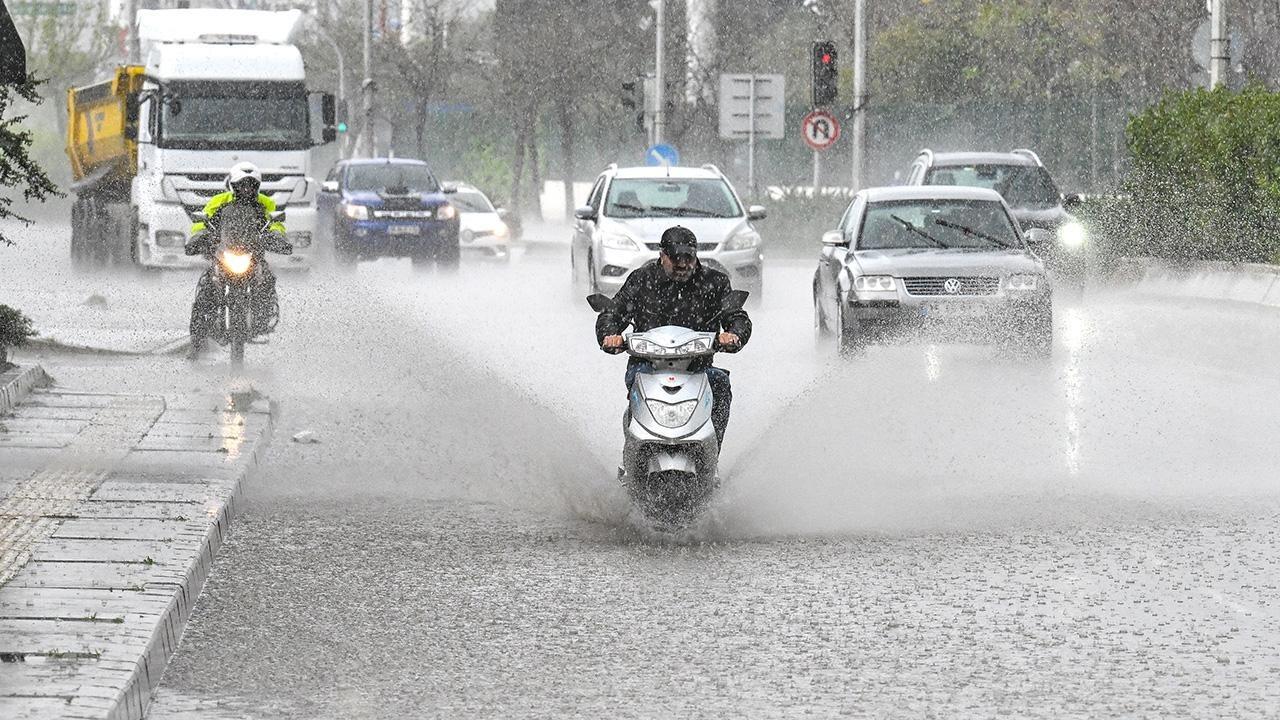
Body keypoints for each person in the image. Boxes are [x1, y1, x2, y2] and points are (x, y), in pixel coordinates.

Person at [596, 225, 751, 448]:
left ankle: (712, 450)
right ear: (662, 255)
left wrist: (734, 334)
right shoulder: (641, 280)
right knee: (637, 379)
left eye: (688, 258)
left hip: (698, 368)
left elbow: (735, 315)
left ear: (696, 255)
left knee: (720, 384)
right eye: (675, 258)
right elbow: (613, 312)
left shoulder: (714, 282)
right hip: (646, 365)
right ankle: (634, 448)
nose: (682, 265)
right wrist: (610, 335)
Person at [185, 162, 291, 358]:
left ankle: (262, 318)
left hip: (252, 256)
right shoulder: (219, 201)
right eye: (242, 184)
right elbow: (202, 222)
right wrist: (198, 237)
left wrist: (278, 238)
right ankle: (197, 341)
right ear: (233, 185)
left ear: (257, 186)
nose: (247, 189)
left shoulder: (266, 204)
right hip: (224, 254)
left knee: (267, 280)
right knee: (206, 289)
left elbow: (275, 224)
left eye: (251, 185)